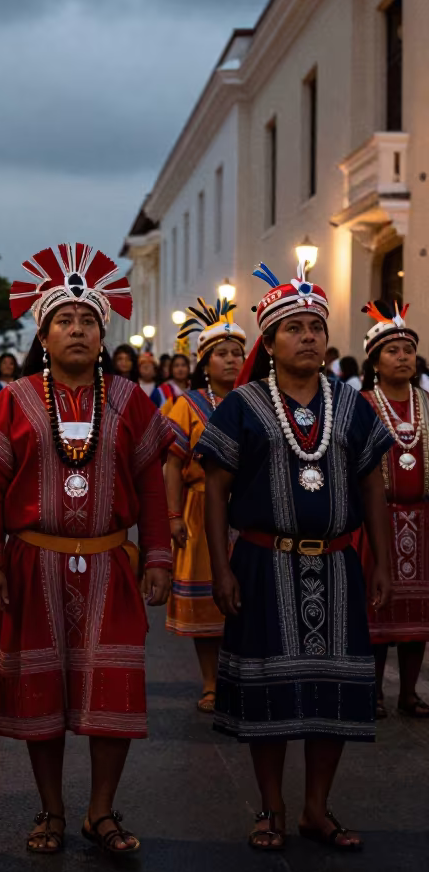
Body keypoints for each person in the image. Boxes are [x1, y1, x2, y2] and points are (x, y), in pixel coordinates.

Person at [0, 243, 174, 856]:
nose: (77, 329)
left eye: (88, 320)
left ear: (102, 333)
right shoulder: (14, 398)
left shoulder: (133, 400)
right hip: (34, 564)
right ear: (44, 334)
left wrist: (157, 556)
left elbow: (150, 490)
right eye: (64, 320)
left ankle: (100, 811)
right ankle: (51, 810)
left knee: (111, 688)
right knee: (44, 693)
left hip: (111, 564)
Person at [198, 258, 393, 852]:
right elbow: (216, 490)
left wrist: (381, 560)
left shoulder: (353, 404)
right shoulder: (242, 405)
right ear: (272, 341)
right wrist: (221, 566)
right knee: (270, 691)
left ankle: (316, 809)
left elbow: (371, 486)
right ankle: (271, 809)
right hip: (263, 562)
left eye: (315, 326)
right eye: (294, 328)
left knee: (330, 691)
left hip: (337, 564)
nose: (308, 337)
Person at [164, 298, 246, 711]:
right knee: (208, 608)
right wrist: (174, 515)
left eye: (237, 353)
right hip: (199, 511)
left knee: (251, 601)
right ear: (205, 361)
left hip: (251, 514)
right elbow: (172, 465)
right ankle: (211, 682)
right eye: (222, 354)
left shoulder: (258, 399)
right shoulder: (188, 404)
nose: (231, 361)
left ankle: (247, 679)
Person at [358, 302, 429, 719]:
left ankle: (409, 693)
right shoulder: (362, 404)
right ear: (375, 362)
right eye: (392, 350)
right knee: (378, 607)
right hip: (377, 521)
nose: (403, 356)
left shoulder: (426, 403)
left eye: (408, 349)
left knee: (419, 611)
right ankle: (374, 692)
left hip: (422, 521)